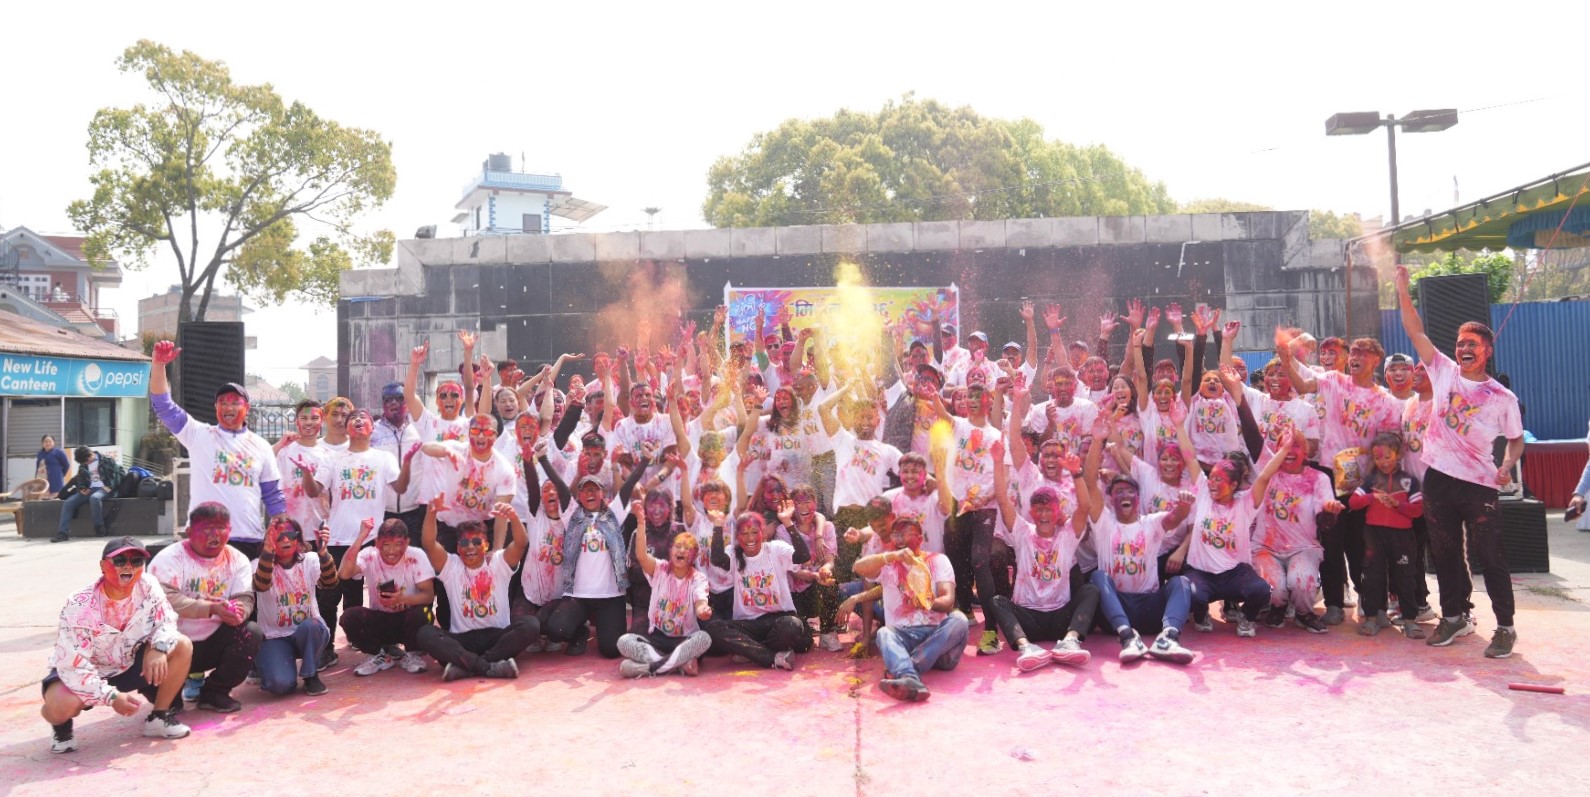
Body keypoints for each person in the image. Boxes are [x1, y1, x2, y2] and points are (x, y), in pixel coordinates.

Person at [1394, 263, 1525, 657]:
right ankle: (1453, 617)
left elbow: (1516, 442)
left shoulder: (1502, 397)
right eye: (1461, 343)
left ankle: (1505, 627)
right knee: (1444, 552)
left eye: (1473, 344)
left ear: (1487, 351)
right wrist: (1402, 287)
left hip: (1479, 485)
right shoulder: (1442, 371)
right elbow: (1415, 330)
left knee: (1489, 556)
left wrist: (1506, 467)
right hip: (1438, 479)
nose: (1465, 349)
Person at [42, 537, 193, 753]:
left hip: (128, 663)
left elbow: (167, 620)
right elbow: (73, 665)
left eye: (137, 561)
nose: (128, 567)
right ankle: (61, 726)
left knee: (181, 645)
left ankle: (159, 717)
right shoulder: (79, 604)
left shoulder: (149, 585)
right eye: (120, 561)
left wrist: (158, 649)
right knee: (60, 707)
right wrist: (111, 697)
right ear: (103, 566)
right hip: (85, 671)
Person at [149, 340, 286, 558]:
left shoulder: (261, 446)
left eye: (235, 402)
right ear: (215, 407)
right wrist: (158, 365)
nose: (228, 407)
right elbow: (164, 406)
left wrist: (282, 527)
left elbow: (273, 495)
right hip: (203, 538)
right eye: (222, 402)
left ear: (247, 408)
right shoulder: (198, 434)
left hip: (248, 539)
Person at [304, 408, 407, 666]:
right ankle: (326, 649)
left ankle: (383, 642)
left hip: (374, 539)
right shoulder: (333, 459)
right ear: (347, 428)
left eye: (364, 418)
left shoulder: (383, 458)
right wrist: (306, 473)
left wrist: (409, 463)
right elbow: (314, 490)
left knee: (381, 593)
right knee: (330, 596)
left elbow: (400, 487)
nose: (358, 421)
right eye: (353, 418)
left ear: (372, 427)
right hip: (338, 539)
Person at [988, 440, 1097, 672]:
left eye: (1049, 510)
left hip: (1060, 618)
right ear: (1032, 512)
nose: (1044, 515)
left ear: (1058, 512)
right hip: (1029, 619)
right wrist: (997, 463)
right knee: (998, 602)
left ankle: (1070, 642)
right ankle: (1027, 648)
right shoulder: (1022, 532)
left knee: (1090, 591)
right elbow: (1002, 499)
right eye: (1039, 510)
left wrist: (1077, 473)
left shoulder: (1067, 535)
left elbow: (1085, 507)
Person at [146, 502, 262, 713]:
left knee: (250, 632)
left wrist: (238, 612)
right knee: (140, 645)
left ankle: (215, 693)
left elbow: (245, 597)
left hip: (212, 642)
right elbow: (165, 600)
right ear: (189, 532)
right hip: (171, 643)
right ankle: (168, 697)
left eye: (221, 528)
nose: (214, 535)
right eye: (207, 529)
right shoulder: (168, 558)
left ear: (230, 530)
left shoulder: (238, 560)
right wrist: (211, 608)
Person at [414, 497, 536, 679]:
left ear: (486, 545)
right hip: (463, 640)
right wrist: (431, 513)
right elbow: (429, 544)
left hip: (497, 638)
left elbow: (520, 543)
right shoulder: (451, 566)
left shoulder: (498, 562)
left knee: (531, 625)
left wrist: (513, 517)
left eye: (477, 542)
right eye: (464, 543)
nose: (470, 547)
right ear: (458, 547)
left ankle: (466, 665)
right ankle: (489, 667)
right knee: (425, 633)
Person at [852, 517, 969, 702]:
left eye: (905, 534)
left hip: (939, 643)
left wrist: (924, 602)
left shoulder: (938, 560)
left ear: (920, 538)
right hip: (905, 638)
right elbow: (858, 567)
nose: (899, 540)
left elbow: (948, 602)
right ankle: (909, 677)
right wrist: (891, 556)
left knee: (959, 620)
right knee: (884, 633)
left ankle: (907, 670)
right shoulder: (889, 564)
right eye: (895, 535)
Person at [704, 510, 812, 670]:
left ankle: (750, 651)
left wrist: (788, 522)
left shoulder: (775, 549)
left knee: (792, 626)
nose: (750, 538)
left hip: (779, 619)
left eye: (755, 532)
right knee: (714, 629)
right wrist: (718, 525)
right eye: (744, 533)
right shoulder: (734, 554)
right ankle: (772, 657)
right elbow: (717, 559)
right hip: (749, 624)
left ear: (763, 533)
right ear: (737, 537)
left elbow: (803, 556)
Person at [543, 475, 632, 658]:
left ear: (602, 493)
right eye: (585, 490)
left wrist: (645, 461)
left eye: (594, 489)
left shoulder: (614, 513)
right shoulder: (572, 515)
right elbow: (560, 485)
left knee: (611, 650)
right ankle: (580, 632)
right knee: (556, 630)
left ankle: (604, 628)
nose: (589, 493)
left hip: (610, 596)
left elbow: (629, 485)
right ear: (579, 495)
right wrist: (542, 460)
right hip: (579, 596)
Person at [1348, 432, 1425, 639]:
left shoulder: (1409, 481)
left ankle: (1410, 621)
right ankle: (1371, 619)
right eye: (1377, 457)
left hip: (1402, 536)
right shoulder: (1371, 480)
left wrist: (1398, 505)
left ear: (1398, 454)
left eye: (1387, 456)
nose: (1383, 462)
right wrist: (1372, 496)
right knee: (1372, 576)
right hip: (1374, 535)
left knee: (1405, 578)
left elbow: (1418, 510)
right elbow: (1353, 502)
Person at [338, 517, 435, 677]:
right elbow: (344, 573)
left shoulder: (417, 556)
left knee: (425, 613)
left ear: (407, 543)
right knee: (349, 617)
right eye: (386, 545)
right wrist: (361, 537)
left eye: (398, 544)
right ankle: (379, 655)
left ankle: (411, 654)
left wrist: (402, 599)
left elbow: (429, 595)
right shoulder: (369, 555)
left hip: (408, 620)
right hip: (380, 620)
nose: (392, 551)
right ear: (377, 543)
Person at [251, 518, 336, 696]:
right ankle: (269, 663)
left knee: (313, 626)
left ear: (298, 539)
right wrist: (268, 551)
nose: (286, 540)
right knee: (280, 685)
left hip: (306, 632)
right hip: (274, 636)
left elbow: (330, 582)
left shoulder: (309, 560)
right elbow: (261, 585)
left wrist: (323, 552)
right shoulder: (258, 564)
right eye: (279, 536)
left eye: (291, 534)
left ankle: (310, 675)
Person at [616, 530, 714, 678]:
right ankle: (678, 664)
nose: (682, 550)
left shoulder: (698, 578)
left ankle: (648, 667)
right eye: (678, 546)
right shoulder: (660, 568)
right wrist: (641, 523)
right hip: (656, 638)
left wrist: (703, 610)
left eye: (687, 548)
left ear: (694, 556)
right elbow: (641, 556)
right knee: (624, 641)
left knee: (704, 638)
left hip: (684, 641)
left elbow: (701, 601)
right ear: (671, 551)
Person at [53, 446, 125, 542]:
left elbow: (118, 474)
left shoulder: (106, 460)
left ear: (91, 454)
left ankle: (99, 528)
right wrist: (82, 488)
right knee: (68, 503)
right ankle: (62, 533)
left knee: (94, 498)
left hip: (105, 489)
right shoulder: (83, 464)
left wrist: (110, 486)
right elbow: (80, 478)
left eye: (87, 461)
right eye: (84, 462)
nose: (86, 463)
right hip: (90, 490)